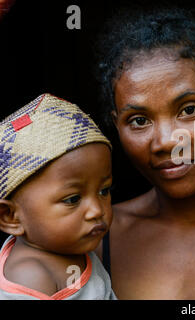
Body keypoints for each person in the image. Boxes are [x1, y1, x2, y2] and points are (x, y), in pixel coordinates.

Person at [95, 7, 195, 299]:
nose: (165, 141)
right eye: (139, 121)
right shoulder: (96, 238)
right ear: (116, 126)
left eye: (189, 110)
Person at [0, 93, 116, 300]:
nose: (97, 210)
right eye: (72, 199)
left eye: (104, 191)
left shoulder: (69, 248)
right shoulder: (31, 276)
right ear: (10, 216)